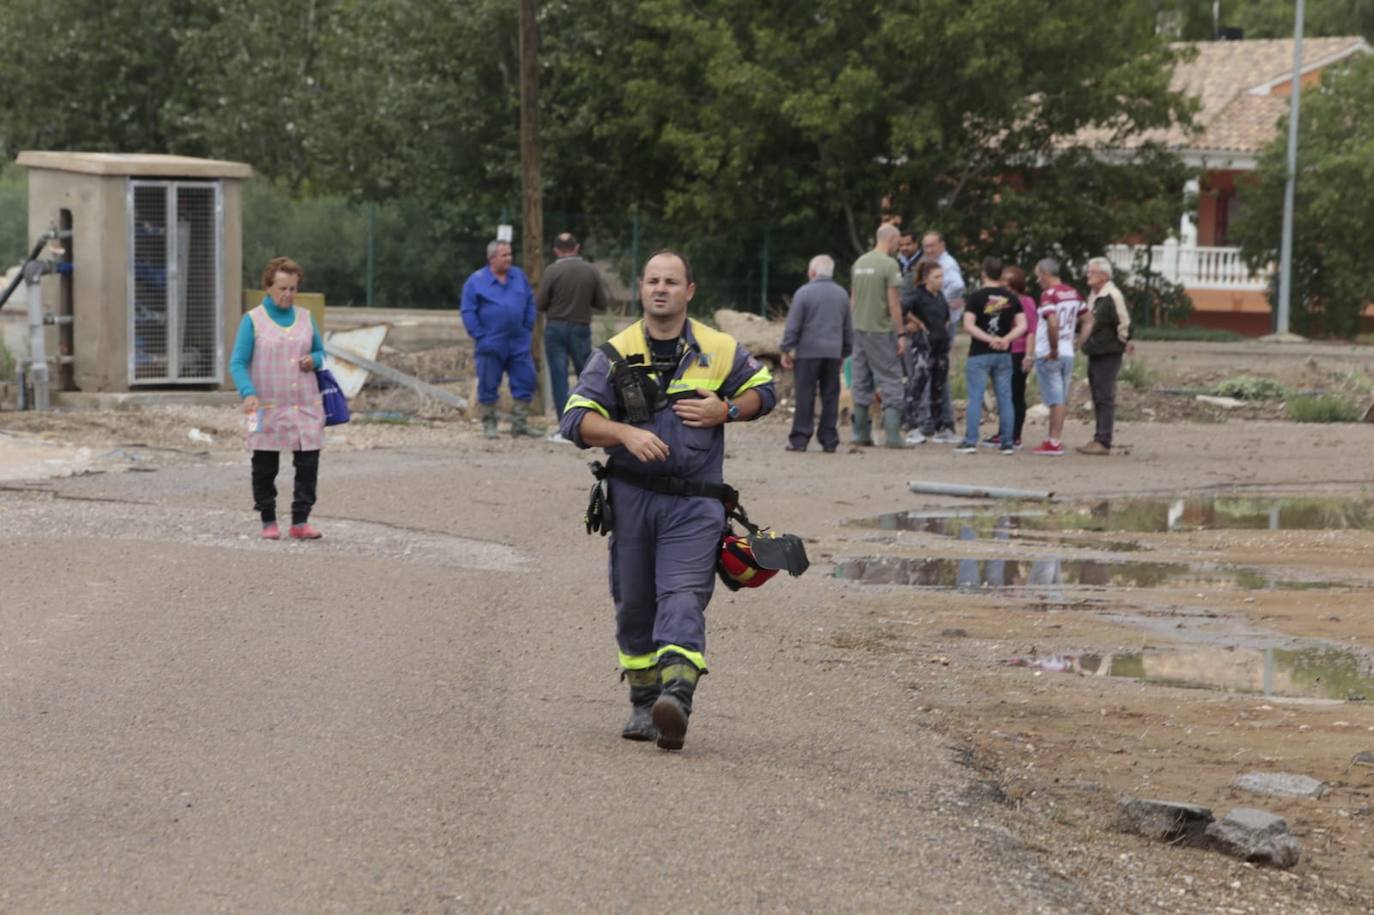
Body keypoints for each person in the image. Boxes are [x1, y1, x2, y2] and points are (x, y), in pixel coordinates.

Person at [559, 249, 776, 751]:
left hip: (696, 502)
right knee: (634, 602)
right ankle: (643, 701)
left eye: (672, 281)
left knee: (681, 594)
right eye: (653, 280)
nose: (661, 288)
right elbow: (573, 419)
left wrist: (729, 410)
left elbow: (764, 391)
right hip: (633, 499)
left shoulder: (719, 348)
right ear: (641, 289)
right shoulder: (614, 352)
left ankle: (677, 696)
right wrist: (622, 434)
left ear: (689, 292)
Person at [230, 256, 327, 541]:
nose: (287, 295)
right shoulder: (252, 320)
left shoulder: (306, 318)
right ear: (269, 288)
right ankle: (268, 519)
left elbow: (322, 352)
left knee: (308, 462)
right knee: (264, 464)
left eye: (292, 289)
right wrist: (248, 393)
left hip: (305, 403)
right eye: (282, 288)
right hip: (263, 405)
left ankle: (301, 520)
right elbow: (237, 362)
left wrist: (315, 359)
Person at [460, 239, 541, 439]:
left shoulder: (518, 276)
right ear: (492, 258)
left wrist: (528, 325)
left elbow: (530, 301)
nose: (509, 259)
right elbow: (468, 311)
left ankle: (519, 423)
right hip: (491, 342)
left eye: (510, 254)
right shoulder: (476, 281)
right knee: (488, 383)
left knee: (526, 379)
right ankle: (489, 423)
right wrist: (480, 336)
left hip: (518, 341)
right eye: (504, 255)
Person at [538, 232, 608, 442]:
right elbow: (602, 304)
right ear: (576, 248)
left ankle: (564, 428)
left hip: (556, 328)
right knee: (586, 377)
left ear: (556, 250)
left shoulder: (552, 271)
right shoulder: (590, 270)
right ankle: (589, 423)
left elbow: (540, 303)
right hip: (581, 328)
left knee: (559, 378)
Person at [781, 254, 852, 452]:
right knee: (830, 395)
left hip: (808, 352)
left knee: (805, 394)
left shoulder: (803, 293)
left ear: (812, 272)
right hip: (833, 352)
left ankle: (800, 439)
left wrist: (787, 348)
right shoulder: (841, 294)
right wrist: (845, 350)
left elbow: (793, 324)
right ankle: (829, 439)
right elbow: (848, 326)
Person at [956, 257, 1026, 455]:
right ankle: (1007, 442)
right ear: (1001, 274)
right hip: (1004, 354)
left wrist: (988, 338)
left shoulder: (976, 297)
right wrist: (1005, 339)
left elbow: (969, 325)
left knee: (976, 397)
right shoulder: (1012, 298)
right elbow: (1023, 325)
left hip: (979, 353)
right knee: (1005, 397)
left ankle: (970, 441)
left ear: (983, 274)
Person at [849, 224, 908, 448]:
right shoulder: (889, 265)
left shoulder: (860, 262)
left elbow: (853, 299)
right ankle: (893, 436)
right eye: (898, 242)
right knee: (891, 379)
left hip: (859, 328)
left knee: (861, 379)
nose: (899, 246)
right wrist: (901, 332)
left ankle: (860, 434)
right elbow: (894, 302)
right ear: (892, 239)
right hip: (881, 331)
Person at [1029, 258, 1086, 457]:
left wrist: (1053, 349)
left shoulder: (1049, 295)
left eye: (1038, 276)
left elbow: (1052, 323)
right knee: (1060, 396)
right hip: (1067, 351)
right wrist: (1078, 342)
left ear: (1046, 274)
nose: (1037, 280)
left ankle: (1054, 441)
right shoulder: (1073, 293)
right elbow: (1089, 319)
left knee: (1056, 398)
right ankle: (1053, 438)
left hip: (1050, 352)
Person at [1076, 256, 1132, 455]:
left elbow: (1124, 322)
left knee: (1105, 396)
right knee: (1098, 395)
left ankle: (1103, 440)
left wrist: (1123, 342)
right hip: (1095, 351)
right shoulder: (1093, 296)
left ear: (1104, 275)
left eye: (1092, 272)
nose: (1088, 275)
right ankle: (1099, 438)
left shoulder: (1112, 296)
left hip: (1108, 352)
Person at [920, 230, 966, 441]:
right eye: (926, 246)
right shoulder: (934, 264)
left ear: (942, 245)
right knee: (933, 371)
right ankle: (936, 420)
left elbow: (958, 285)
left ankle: (940, 421)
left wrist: (939, 301)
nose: (929, 250)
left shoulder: (946, 264)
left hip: (943, 326)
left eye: (932, 246)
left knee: (936, 371)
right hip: (939, 323)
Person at [899, 258, 950, 444]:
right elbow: (900, 309)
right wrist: (915, 323)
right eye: (937, 276)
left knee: (938, 388)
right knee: (917, 386)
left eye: (942, 276)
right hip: (922, 348)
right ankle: (911, 427)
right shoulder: (916, 295)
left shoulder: (940, 296)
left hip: (940, 348)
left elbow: (946, 317)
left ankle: (939, 428)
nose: (941, 280)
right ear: (927, 278)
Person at [998, 265, 1038, 450]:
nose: (1004, 289)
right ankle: (1003, 431)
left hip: (1019, 352)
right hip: (1005, 351)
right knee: (1004, 394)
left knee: (1016, 394)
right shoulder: (1004, 301)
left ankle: (1015, 435)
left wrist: (1028, 356)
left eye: (1008, 285)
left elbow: (1031, 331)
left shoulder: (1026, 302)